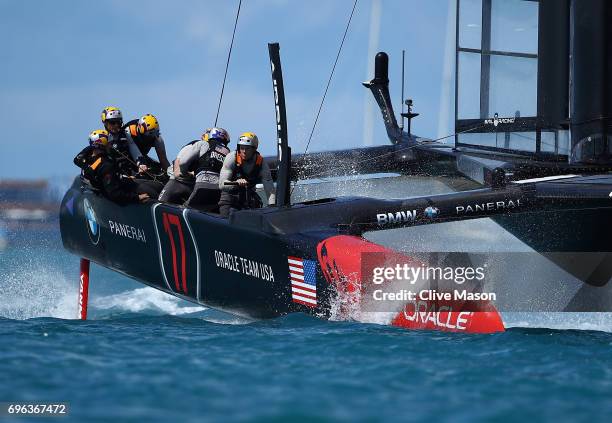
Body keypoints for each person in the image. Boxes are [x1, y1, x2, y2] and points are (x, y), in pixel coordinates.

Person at [74, 129, 157, 205]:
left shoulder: (90, 155)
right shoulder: (105, 165)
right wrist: (137, 198)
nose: (112, 145)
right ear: (101, 146)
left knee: (155, 185)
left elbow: (78, 159)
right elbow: (115, 194)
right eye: (109, 143)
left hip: (123, 180)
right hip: (124, 188)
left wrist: (123, 176)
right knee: (153, 192)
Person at [158, 127, 230, 210]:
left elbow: (181, 163)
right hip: (214, 190)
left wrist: (185, 174)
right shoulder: (228, 153)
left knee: (161, 205)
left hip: (184, 183)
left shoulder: (200, 144)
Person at [218, 132, 276, 217]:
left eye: (247, 148)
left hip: (248, 199)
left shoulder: (261, 163)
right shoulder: (231, 158)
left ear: (254, 149)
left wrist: (272, 208)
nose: (244, 151)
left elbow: (270, 190)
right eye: (242, 148)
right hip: (230, 199)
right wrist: (236, 183)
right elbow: (221, 184)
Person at [101, 106, 139, 175]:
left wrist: (141, 164)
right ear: (105, 123)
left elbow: (135, 152)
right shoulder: (103, 138)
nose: (116, 125)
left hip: (130, 171)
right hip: (112, 175)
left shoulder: (126, 134)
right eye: (112, 122)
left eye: (118, 122)